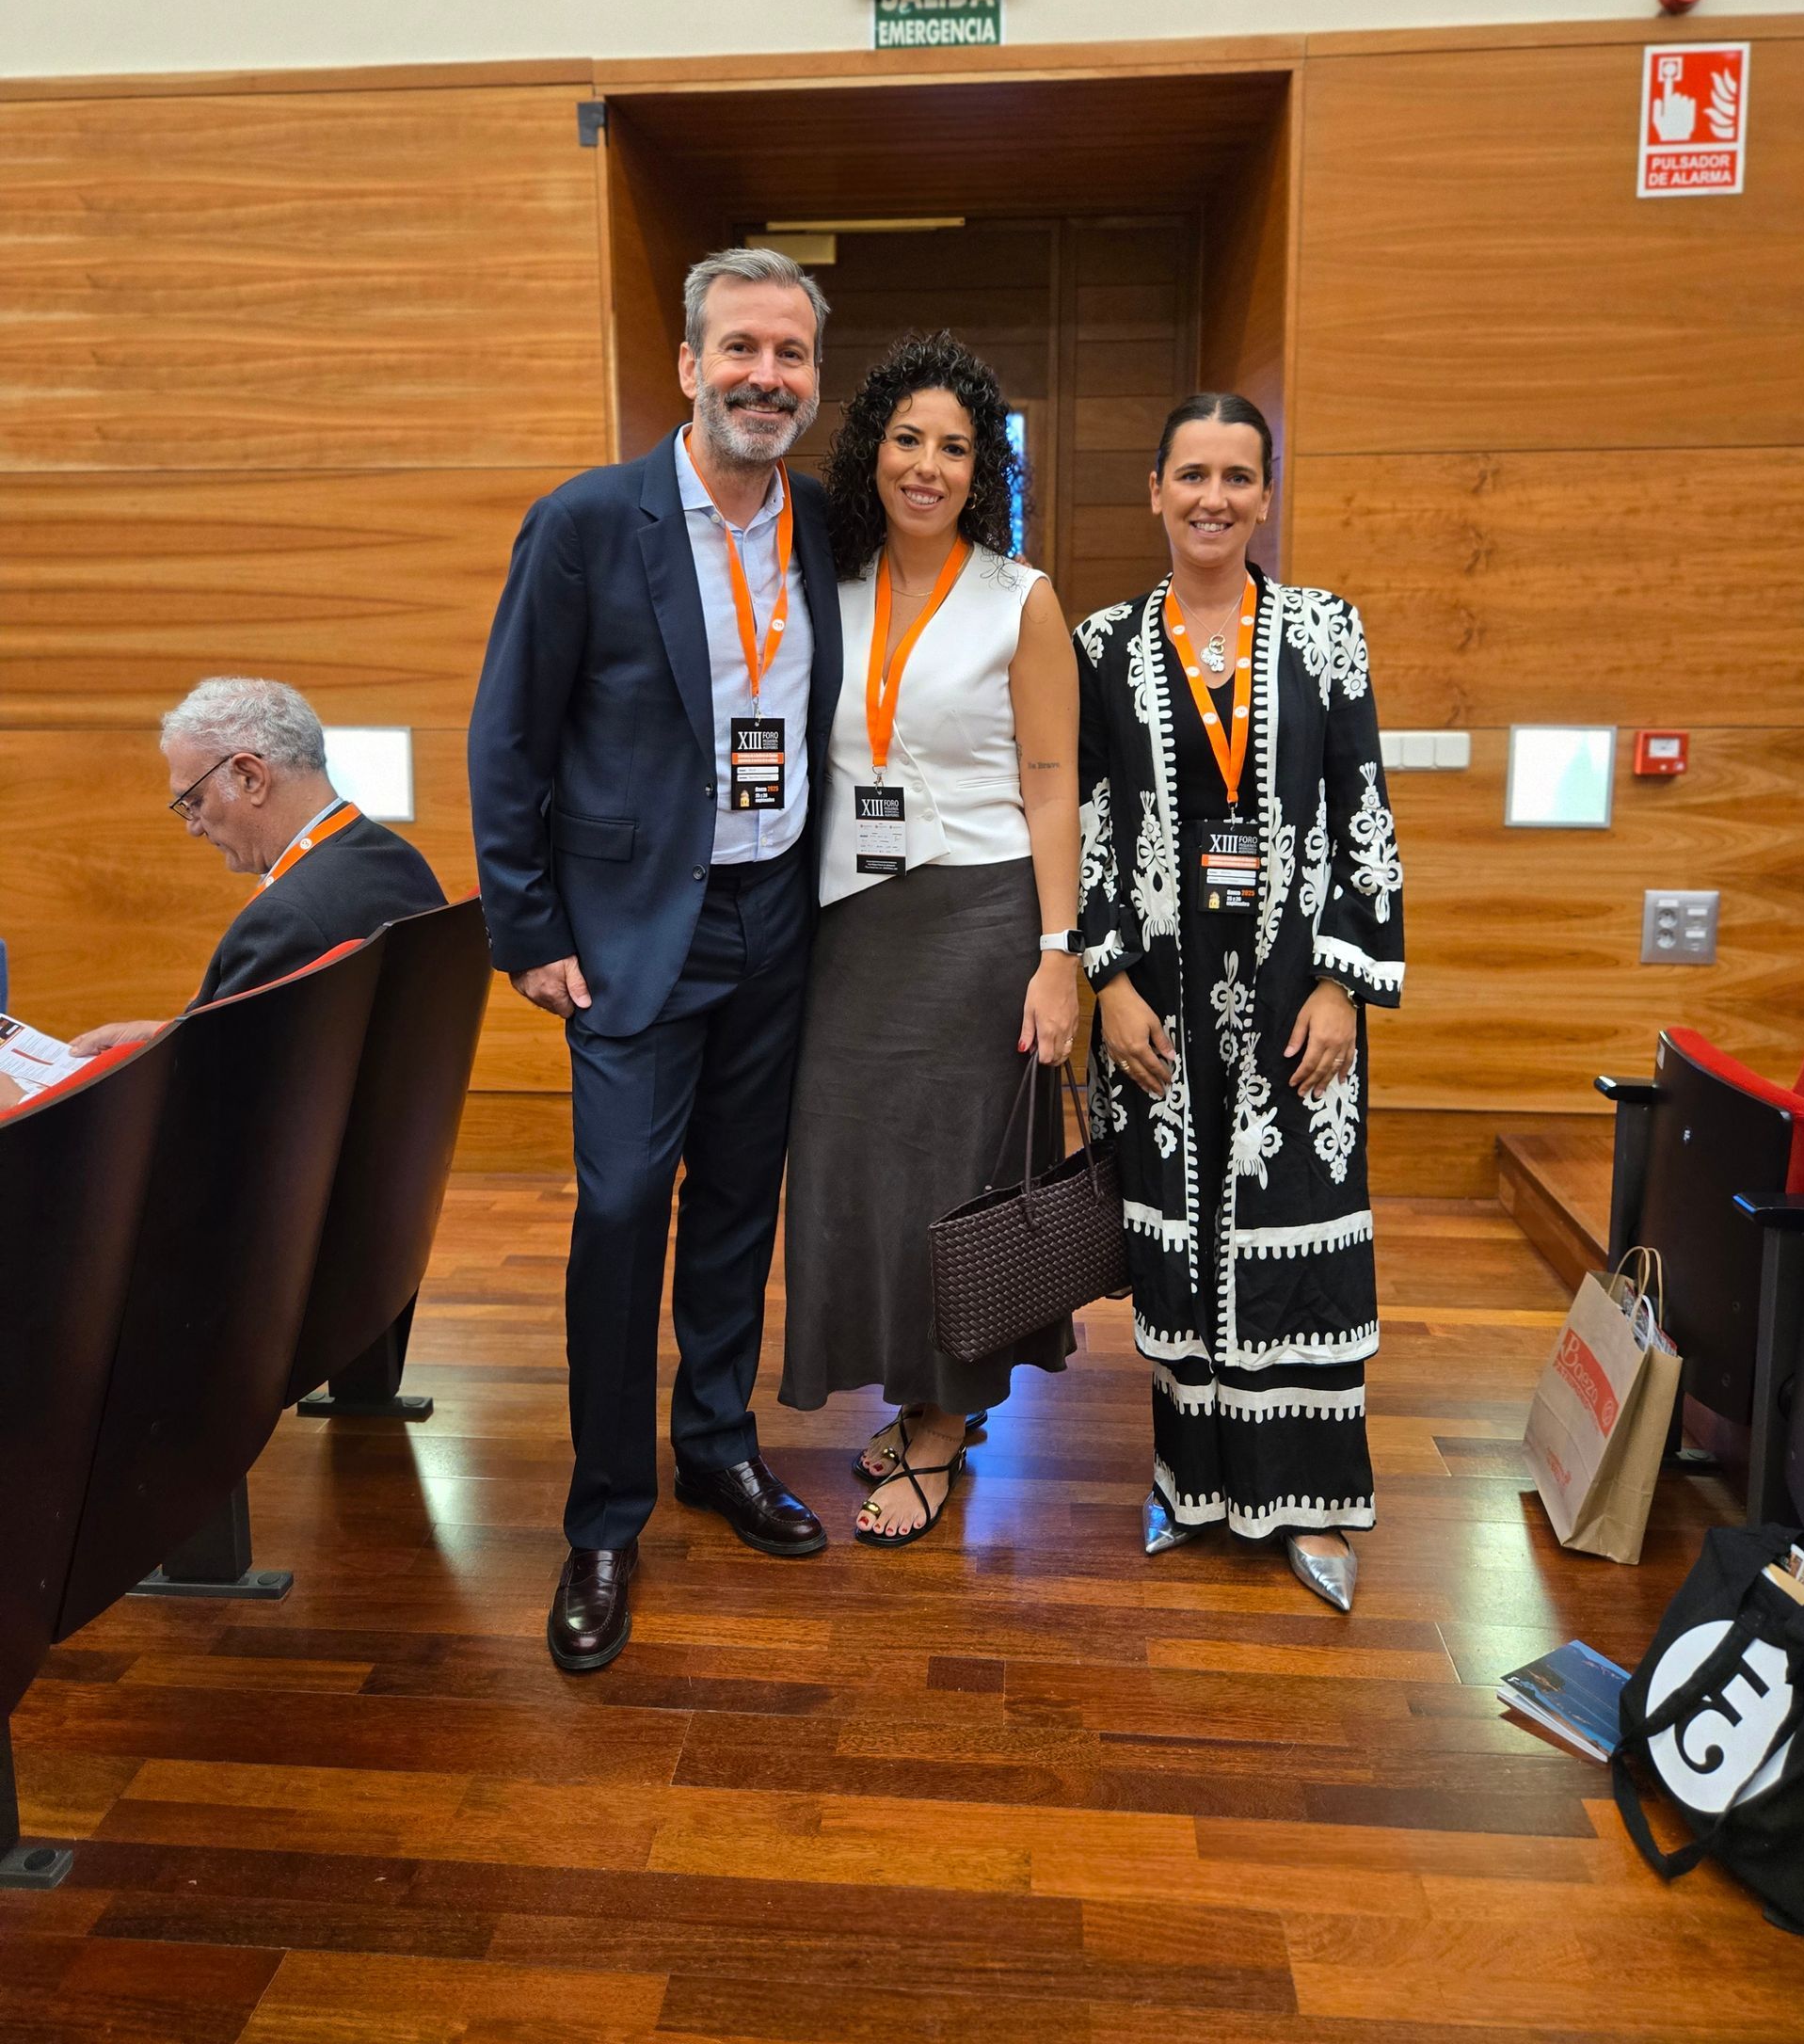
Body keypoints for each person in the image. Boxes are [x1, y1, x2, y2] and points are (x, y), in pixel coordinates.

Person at [468, 246, 843, 1675]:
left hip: (778, 920)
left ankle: (718, 1449)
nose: (767, 376)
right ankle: (606, 1513)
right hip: (631, 938)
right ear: (687, 365)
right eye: (741, 348)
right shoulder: (585, 523)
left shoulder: (818, 520)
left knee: (744, 1202)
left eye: (791, 355)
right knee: (625, 1211)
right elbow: (507, 738)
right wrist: (530, 931)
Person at [1073, 392, 1404, 1611]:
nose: (1214, 496)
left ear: (1266, 496)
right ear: (1153, 490)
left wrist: (1341, 984)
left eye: (1238, 476)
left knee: (1300, 1230)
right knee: (1178, 1235)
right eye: (1192, 473)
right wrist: (1102, 978)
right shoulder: (1102, 645)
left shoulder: (1326, 632)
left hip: (1294, 996)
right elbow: (1094, 823)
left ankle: (1310, 1499)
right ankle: (1192, 1481)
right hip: (1154, 1002)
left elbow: (1362, 803)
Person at [780, 332, 1081, 1544]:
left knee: (955, 1182)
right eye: (909, 438)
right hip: (850, 926)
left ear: (981, 470)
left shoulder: (1022, 596)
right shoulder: (825, 584)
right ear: (872, 449)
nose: (929, 464)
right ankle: (917, 1397)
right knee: (859, 1174)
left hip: (980, 916)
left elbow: (1055, 780)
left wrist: (1062, 949)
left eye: (957, 447)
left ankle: (942, 1422)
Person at [69, 675, 444, 1056]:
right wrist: (169, 1039)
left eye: (195, 800)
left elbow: (225, 1095)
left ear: (250, 777)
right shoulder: (394, 858)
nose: (193, 827)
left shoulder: (288, 919)